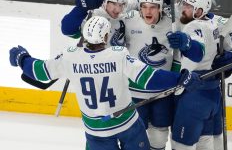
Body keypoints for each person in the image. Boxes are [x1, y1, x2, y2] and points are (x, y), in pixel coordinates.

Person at [9, 16, 198, 150]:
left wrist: (22, 59)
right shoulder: (118, 55)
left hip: (96, 131)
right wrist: (180, 78)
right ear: (106, 36)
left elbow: (39, 71)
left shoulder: (70, 58)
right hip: (127, 125)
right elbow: (150, 79)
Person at [166, 0, 232, 150]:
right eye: (183, 4)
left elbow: (198, 53)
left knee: (181, 145)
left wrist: (186, 43)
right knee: (207, 143)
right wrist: (231, 59)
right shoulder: (221, 22)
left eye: (188, 5)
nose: (183, 8)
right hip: (214, 95)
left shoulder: (193, 26)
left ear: (199, 10)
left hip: (192, 94)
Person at [124, 0, 178, 150]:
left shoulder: (172, 23)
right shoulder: (128, 20)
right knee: (134, 137)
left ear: (161, 8)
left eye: (153, 7)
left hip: (162, 93)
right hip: (134, 92)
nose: (148, 11)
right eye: (144, 6)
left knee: (159, 136)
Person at [61, 0, 138, 46]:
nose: (118, 10)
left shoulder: (126, 5)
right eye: (113, 4)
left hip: (118, 61)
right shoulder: (93, 14)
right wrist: (82, 8)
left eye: (121, 4)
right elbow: (68, 30)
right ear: (104, 1)